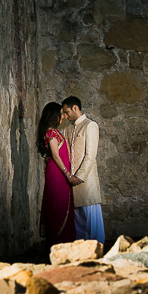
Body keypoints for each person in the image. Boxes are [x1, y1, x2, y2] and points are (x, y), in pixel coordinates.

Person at [61, 96, 105, 243]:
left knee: (94, 227)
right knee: (78, 227)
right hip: (71, 183)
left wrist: (79, 176)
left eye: (67, 112)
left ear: (75, 108)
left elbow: (90, 155)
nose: (65, 116)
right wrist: (68, 177)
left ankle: (101, 256)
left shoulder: (90, 126)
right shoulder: (67, 129)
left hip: (86, 182)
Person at [36, 101, 79, 248]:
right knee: (57, 205)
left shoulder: (52, 132)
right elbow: (56, 156)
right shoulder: (51, 133)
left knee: (61, 204)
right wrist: (68, 175)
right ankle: (58, 243)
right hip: (57, 174)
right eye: (60, 114)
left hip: (58, 172)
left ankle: (64, 242)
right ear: (53, 115)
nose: (62, 118)